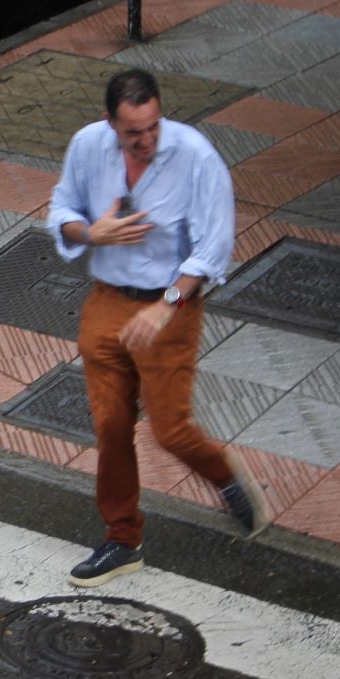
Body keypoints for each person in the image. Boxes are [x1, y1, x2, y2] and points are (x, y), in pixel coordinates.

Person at [47, 68, 268, 585]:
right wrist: (90, 232)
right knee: (110, 426)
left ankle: (224, 475)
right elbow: (62, 208)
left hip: (170, 306)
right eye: (132, 133)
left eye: (152, 127)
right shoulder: (87, 146)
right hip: (106, 301)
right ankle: (122, 538)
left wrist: (166, 304)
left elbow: (213, 247)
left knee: (171, 430)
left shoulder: (195, 156)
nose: (145, 141)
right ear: (110, 124)